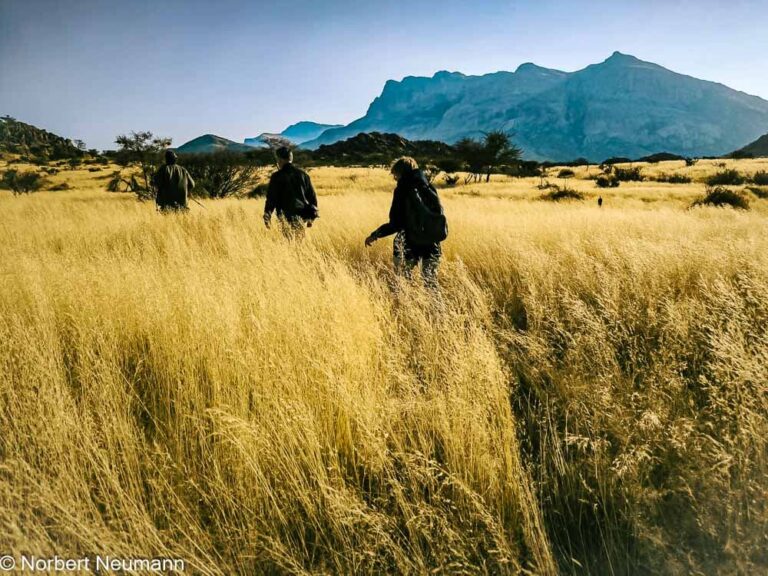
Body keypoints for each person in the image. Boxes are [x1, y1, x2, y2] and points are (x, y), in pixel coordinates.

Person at [365, 157, 447, 287]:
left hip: (408, 242)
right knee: (431, 284)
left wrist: (376, 234)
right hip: (432, 242)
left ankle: (404, 307)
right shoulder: (429, 187)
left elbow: (396, 223)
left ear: (400, 172)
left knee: (401, 283)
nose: (394, 178)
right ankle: (437, 308)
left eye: (395, 174)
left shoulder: (402, 190)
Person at [263, 146, 318, 238]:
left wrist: (267, 214)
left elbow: (271, 198)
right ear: (291, 159)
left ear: (280, 159)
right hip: (302, 215)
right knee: (299, 243)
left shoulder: (277, 176)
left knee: (287, 243)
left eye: (278, 159)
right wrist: (311, 217)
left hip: (284, 215)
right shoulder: (303, 175)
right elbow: (312, 197)